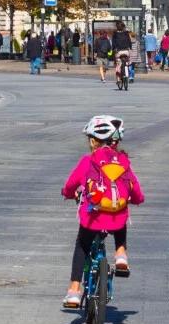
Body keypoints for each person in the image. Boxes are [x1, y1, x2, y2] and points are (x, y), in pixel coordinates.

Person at [60, 116, 144, 308]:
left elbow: (71, 184)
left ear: (92, 141)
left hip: (93, 218)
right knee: (121, 217)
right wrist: (137, 200)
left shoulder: (88, 161)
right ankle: (121, 253)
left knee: (82, 245)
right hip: (116, 218)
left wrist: (67, 193)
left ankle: (74, 290)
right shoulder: (123, 161)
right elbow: (135, 189)